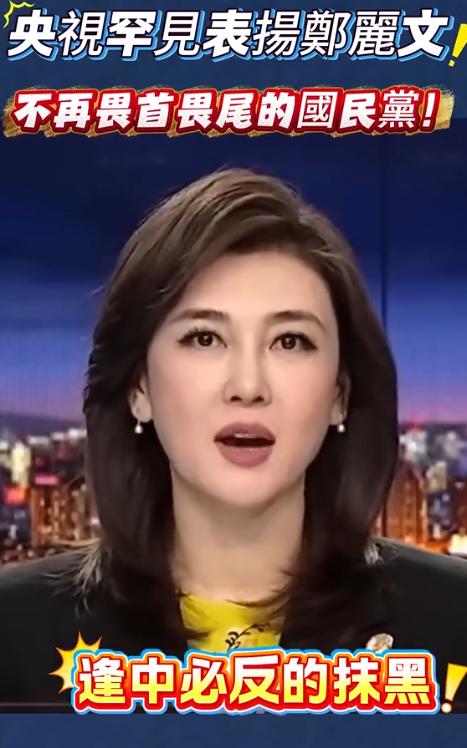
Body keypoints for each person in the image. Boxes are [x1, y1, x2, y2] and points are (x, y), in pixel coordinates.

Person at [0, 168, 466, 713]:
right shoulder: (15, 635)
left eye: (290, 341)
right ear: (138, 387)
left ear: (340, 394)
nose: (247, 385)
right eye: (204, 338)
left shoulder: (453, 623)